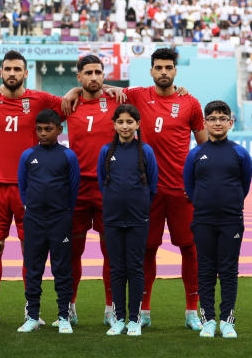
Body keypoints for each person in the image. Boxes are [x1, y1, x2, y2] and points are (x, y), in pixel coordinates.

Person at [0, 50, 66, 326]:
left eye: (17, 69)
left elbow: (72, 102)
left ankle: (30, 310)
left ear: (25, 73)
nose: (12, 73)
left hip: (30, 188)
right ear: (1, 72)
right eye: (7, 69)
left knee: (30, 249)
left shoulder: (40, 99)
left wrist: (106, 87)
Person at [123, 48, 207, 329]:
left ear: (175, 71)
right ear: (151, 71)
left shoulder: (190, 103)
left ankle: (192, 311)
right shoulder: (137, 96)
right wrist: (75, 92)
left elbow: (206, 146)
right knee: (147, 249)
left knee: (189, 249)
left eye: (168, 67)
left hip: (182, 191)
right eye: (158, 67)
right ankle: (144, 311)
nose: (163, 72)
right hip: (148, 191)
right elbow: (104, 90)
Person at [183, 100, 252, 339]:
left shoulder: (239, 153)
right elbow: (190, 187)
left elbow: (244, 186)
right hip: (202, 220)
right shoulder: (196, 155)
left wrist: (229, 206)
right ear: (205, 123)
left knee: (229, 270)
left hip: (231, 221)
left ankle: (227, 321)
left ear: (230, 123)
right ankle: (209, 320)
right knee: (206, 270)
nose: (217, 122)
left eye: (223, 118)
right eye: (212, 118)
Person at [16, 109, 79, 334]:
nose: (43, 133)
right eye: (40, 129)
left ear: (59, 130)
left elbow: (73, 189)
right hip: (34, 220)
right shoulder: (28, 155)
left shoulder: (68, 156)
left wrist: (62, 214)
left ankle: (63, 317)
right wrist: (31, 208)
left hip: (59, 220)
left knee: (62, 269)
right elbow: (22, 188)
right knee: (33, 269)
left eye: (48, 129)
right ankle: (32, 316)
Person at [65, 55, 117, 325]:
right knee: (73, 250)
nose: (94, 77)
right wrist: (71, 92)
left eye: (98, 72)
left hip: (108, 187)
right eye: (88, 73)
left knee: (111, 250)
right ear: (79, 77)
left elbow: (151, 94)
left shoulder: (118, 101)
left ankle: (111, 307)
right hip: (77, 189)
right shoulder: (67, 103)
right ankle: (70, 306)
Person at [98, 104, 158, 337]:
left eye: (129, 122)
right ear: (114, 125)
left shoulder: (146, 151)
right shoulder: (106, 151)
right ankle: (119, 318)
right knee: (116, 269)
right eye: (121, 122)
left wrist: (138, 206)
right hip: (112, 219)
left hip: (137, 219)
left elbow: (152, 186)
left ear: (138, 124)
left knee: (135, 268)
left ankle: (134, 318)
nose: (125, 126)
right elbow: (103, 182)